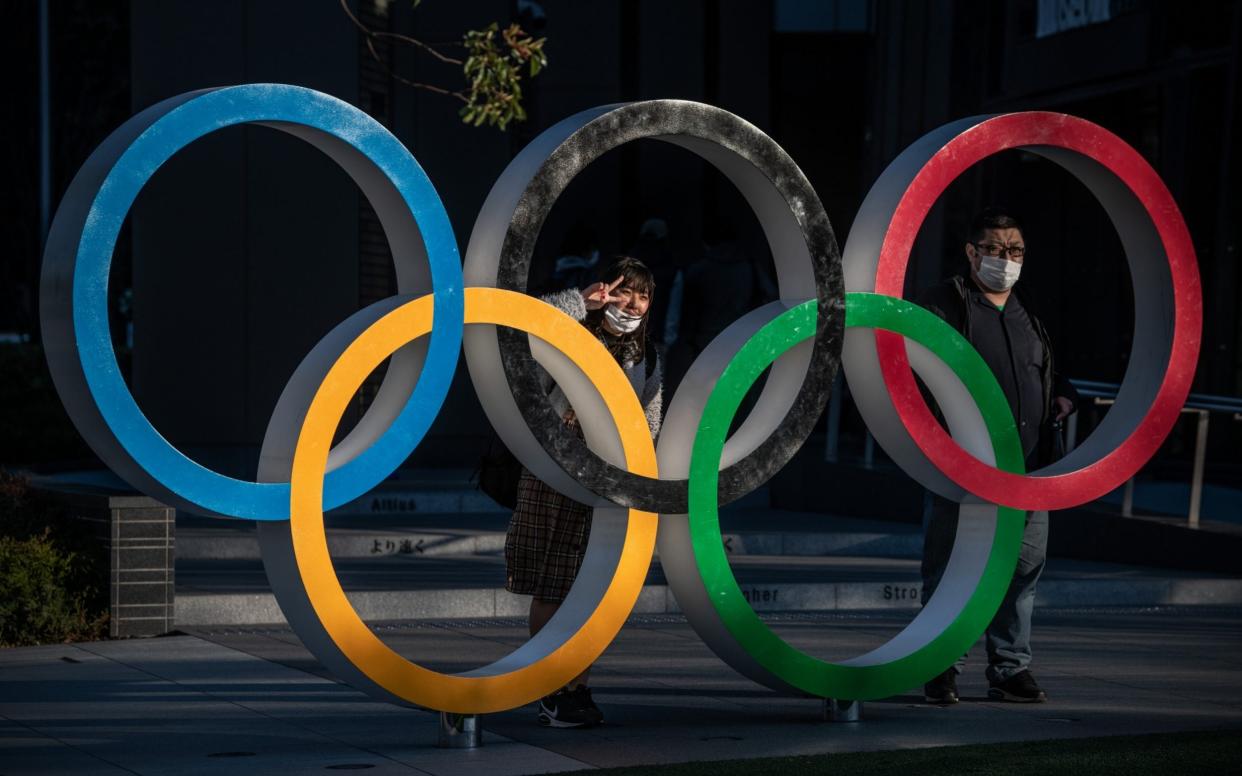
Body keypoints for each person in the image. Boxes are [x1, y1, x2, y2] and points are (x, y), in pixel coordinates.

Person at [918, 207, 1078, 705]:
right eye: (994, 249)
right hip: (965, 465)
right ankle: (941, 663)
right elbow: (915, 369)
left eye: (1015, 250)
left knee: (1023, 568)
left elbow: (1045, 369)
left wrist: (1063, 393)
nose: (1006, 259)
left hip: (1030, 467)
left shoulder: (1030, 309)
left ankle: (1010, 668)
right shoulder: (946, 304)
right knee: (952, 567)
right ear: (971, 252)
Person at [504, 256, 663, 728]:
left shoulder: (648, 356)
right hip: (555, 470)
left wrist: (638, 476)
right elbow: (517, 324)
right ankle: (549, 687)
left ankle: (578, 688)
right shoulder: (570, 332)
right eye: (624, 291)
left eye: (642, 295)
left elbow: (650, 422)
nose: (632, 304)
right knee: (553, 583)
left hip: (607, 483)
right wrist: (579, 301)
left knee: (592, 588)